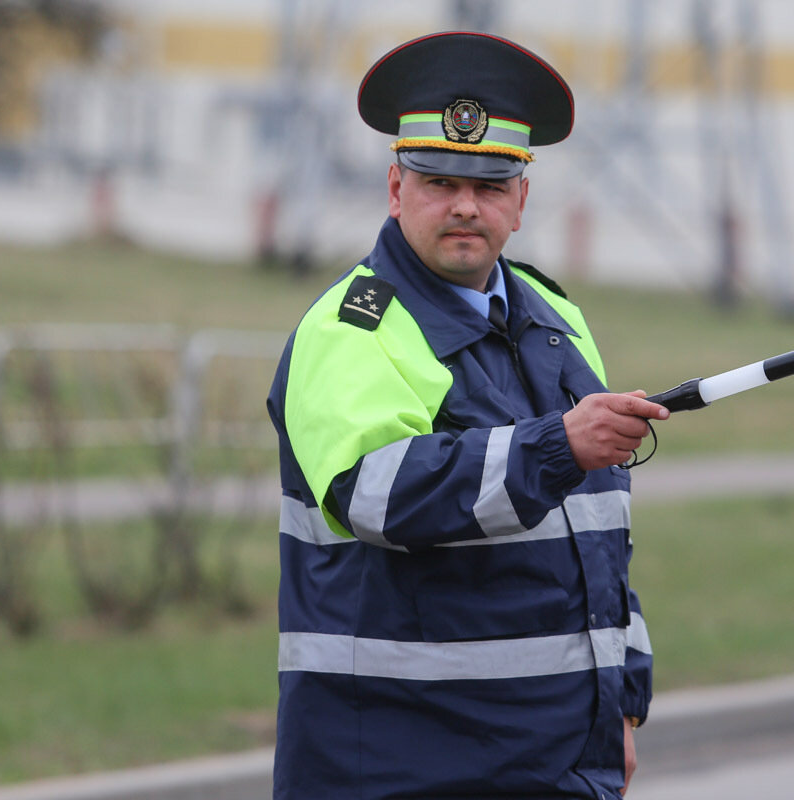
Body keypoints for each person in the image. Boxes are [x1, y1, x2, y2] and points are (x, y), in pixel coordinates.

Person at [266, 31, 670, 799]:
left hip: (554, 760)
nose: (463, 205)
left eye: (489, 185)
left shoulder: (555, 314)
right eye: (438, 181)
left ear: (522, 199)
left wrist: (624, 704)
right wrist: (556, 447)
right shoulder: (351, 328)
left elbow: (598, 536)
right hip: (398, 763)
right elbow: (375, 494)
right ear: (394, 189)